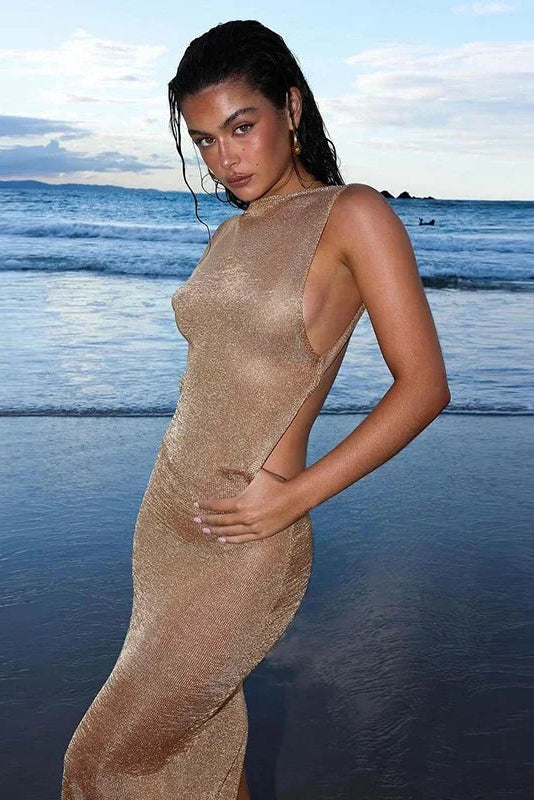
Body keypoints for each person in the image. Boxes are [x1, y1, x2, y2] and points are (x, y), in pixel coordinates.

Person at [61, 19, 450, 800]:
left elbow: (425, 387)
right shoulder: (232, 236)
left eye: (242, 127)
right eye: (205, 140)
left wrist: (295, 497)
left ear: (292, 109)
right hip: (167, 528)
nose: (224, 158)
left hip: (248, 541)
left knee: (99, 765)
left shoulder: (355, 215)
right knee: (199, 757)